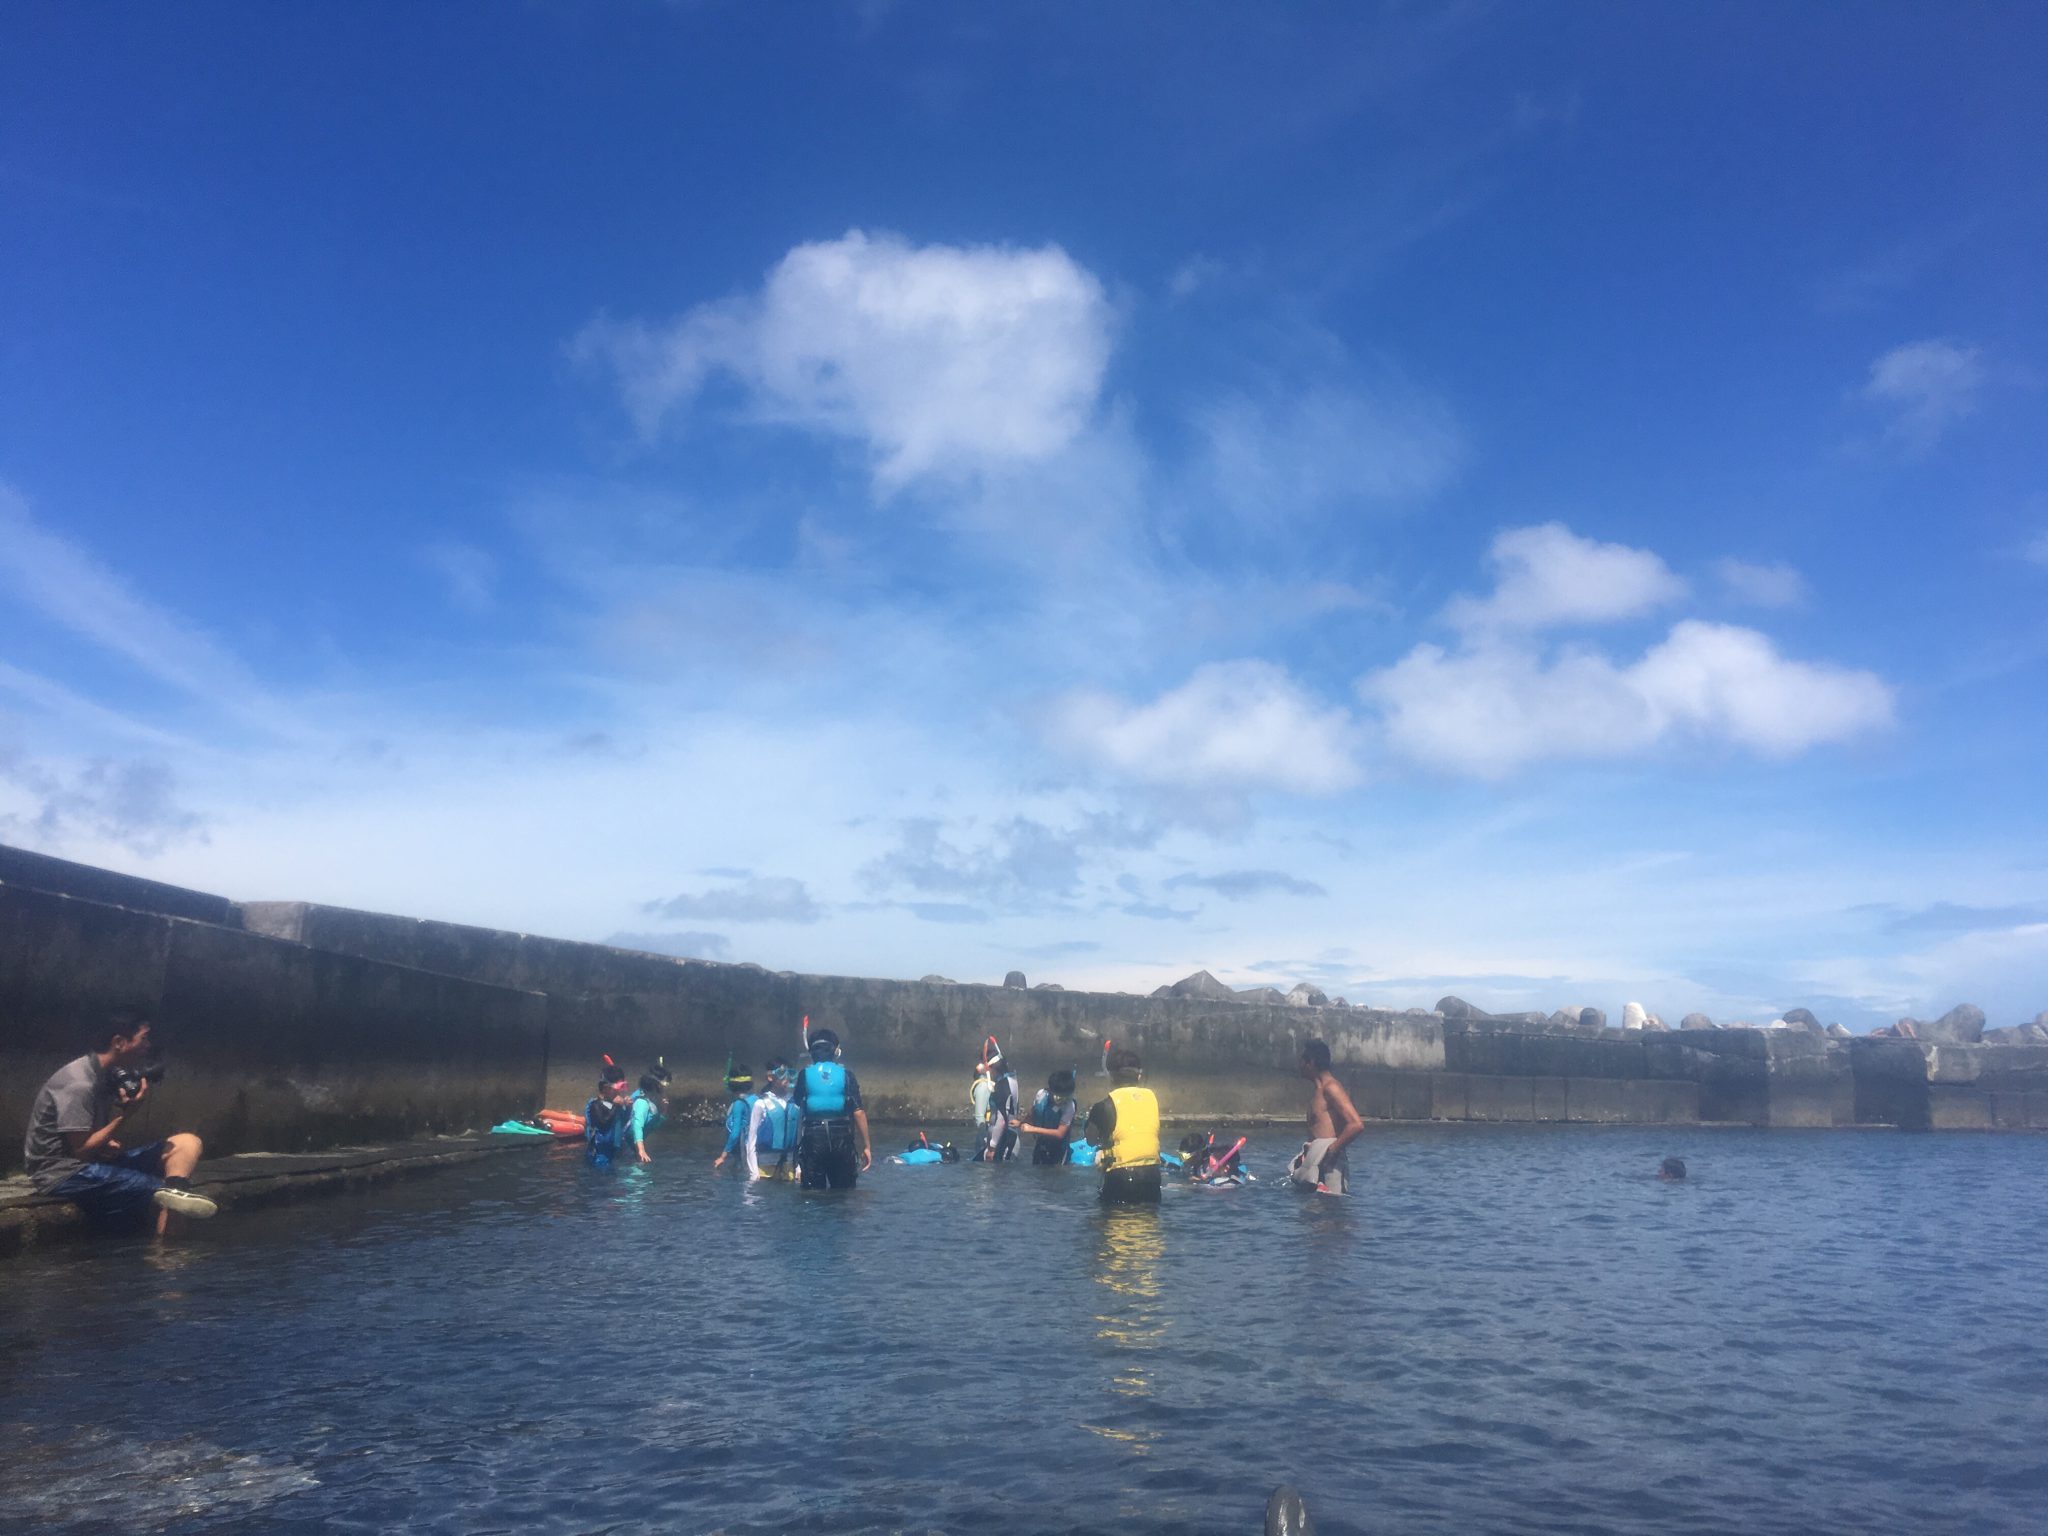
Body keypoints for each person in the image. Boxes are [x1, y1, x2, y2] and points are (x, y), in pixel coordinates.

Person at [22, 1009, 217, 1233]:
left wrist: (104, 1144)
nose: (147, 1046)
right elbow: (81, 1151)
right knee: (157, 1190)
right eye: (143, 1039)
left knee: (186, 1143)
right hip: (62, 1173)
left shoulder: (108, 1074)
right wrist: (125, 1115)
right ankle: (169, 1244)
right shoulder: (79, 1084)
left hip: (92, 1162)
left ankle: (176, 1192)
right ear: (119, 1042)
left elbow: (85, 1140)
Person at [790, 1028, 871, 1189]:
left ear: (812, 1052)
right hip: (841, 1137)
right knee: (844, 1191)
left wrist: (793, 1149)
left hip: (813, 1137)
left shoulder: (804, 1074)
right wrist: (867, 1146)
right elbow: (858, 1112)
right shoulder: (846, 1074)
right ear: (835, 1051)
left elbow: (796, 1108)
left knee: (812, 1192)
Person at [1085, 1046, 1161, 1205]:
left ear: (1111, 1076)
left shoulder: (1103, 1106)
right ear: (1139, 1076)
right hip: (1152, 1176)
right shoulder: (1152, 1099)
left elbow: (1091, 1141)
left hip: (1121, 1177)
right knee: (1148, 1219)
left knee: (1115, 1218)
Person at [1290, 1039, 1363, 1195]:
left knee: (1331, 1208)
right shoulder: (1318, 1091)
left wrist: (1331, 1151)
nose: (1299, 1065)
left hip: (1331, 1166)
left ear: (1311, 1062)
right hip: (1315, 1164)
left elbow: (1356, 1124)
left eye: (1302, 1060)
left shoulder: (1331, 1088)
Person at [743, 1058, 803, 1181]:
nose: (786, 1078)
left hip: (789, 1165)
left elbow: (800, 1138)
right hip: (765, 1165)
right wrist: (754, 1172)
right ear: (770, 1077)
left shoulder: (795, 1104)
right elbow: (751, 1140)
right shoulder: (761, 1104)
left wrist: (799, 1167)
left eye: (790, 1073)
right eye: (781, 1073)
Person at [1014, 1069, 1079, 1165]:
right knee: (1037, 1168)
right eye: (1058, 1096)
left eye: (1065, 1097)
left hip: (1059, 1148)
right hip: (1041, 1143)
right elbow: (1033, 1113)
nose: (1061, 1100)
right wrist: (1021, 1123)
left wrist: (1032, 1129)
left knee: (1055, 1171)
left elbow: (1060, 1133)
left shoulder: (1069, 1106)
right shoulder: (1041, 1095)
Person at [620, 1061, 671, 1166]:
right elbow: (637, 1125)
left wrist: (664, 1111)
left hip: (633, 1147)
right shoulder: (642, 1102)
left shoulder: (652, 1101)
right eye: (664, 1085)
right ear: (656, 1085)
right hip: (626, 1148)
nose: (665, 1089)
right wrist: (641, 1150)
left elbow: (652, 1126)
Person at [712, 1062, 758, 1171]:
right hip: (756, 1151)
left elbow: (735, 1133)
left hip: (743, 1155)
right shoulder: (756, 1099)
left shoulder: (738, 1104)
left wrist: (723, 1156)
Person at [585, 1058, 630, 1167]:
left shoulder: (616, 1105)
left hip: (614, 1154)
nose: (619, 1092)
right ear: (605, 1088)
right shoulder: (595, 1105)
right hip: (599, 1156)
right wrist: (615, 1106)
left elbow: (624, 1124)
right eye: (617, 1088)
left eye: (622, 1087)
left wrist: (628, 1108)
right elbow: (603, 1124)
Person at [968, 1062, 995, 1158]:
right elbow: (980, 1117)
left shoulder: (985, 1085)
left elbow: (979, 1117)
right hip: (988, 1134)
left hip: (992, 1135)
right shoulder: (984, 1086)